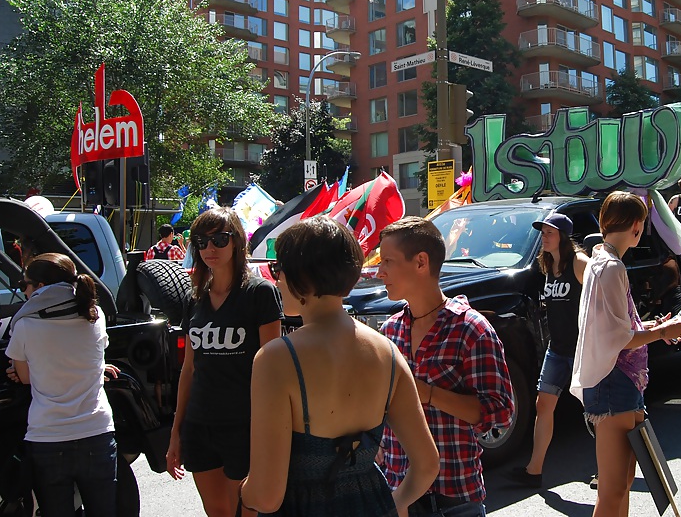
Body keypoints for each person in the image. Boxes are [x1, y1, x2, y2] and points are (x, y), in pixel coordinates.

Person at [239, 216, 438, 516]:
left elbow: (267, 497)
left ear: (303, 277)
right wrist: (394, 503)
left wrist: (243, 493)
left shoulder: (276, 359)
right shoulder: (388, 352)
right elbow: (427, 464)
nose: (276, 279)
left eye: (279, 269)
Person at [377, 216, 514, 516]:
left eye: (387, 260)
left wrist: (427, 393)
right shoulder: (390, 331)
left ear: (421, 262)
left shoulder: (471, 329)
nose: (379, 271)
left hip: (454, 499)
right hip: (399, 493)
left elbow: (500, 414)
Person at [570, 191, 681, 517]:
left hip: (618, 383)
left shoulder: (601, 261)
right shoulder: (611, 267)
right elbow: (619, 337)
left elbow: (615, 326)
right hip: (613, 383)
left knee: (621, 484)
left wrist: (652, 325)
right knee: (613, 488)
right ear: (637, 226)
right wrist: (662, 332)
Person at [166, 207, 283, 517]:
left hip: (244, 425)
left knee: (245, 510)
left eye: (219, 239)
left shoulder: (260, 293)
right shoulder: (195, 299)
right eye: (201, 242)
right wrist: (176, 433)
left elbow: (272, 368)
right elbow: (189, 369)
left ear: (236, 242)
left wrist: (270, 433)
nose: (209, 249)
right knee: (216, 511)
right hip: (199, 424)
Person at [4, 253, 118, 517]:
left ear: (40, 288)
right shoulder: (95, 315)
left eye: (25, 284)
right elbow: (94, 357)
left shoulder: (25, 325)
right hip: (97, 430)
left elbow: (26, 377)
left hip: (48, 436)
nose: (24, 291)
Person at [508, 213, 588, 488]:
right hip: (558, 349)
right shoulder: (548, 264)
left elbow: (601, 292)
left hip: (582, 350)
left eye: (549, 232)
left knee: (597, 411)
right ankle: (534, 471)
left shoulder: (578, 263)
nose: (543, 237)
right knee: (544, 405)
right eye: (542, 232)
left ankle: (608, 468)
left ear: (563, 236)